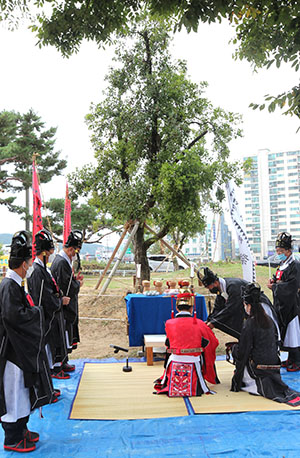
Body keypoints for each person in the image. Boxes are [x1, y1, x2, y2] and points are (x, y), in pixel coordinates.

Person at [0, 231, 53, 452]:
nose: (30, 266)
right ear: (23, 264)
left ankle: (21, 429)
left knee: (20, 391)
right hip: (12, 352)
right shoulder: (9, 287)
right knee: (13, 393)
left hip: (18, 349)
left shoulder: (13, 285)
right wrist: (37, 312)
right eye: (28, 262)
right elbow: (15, 317)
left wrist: (32, 312)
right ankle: (12, 437)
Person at [231, 282, 300, 407]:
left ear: (248, 305)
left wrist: (236, 380)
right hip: (274, 365)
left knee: (236, 350)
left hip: (258, 368)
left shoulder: (249, 323)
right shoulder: (269, 320)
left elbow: (244, 352)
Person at [154, 293, 219, 396]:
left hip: (174, 360)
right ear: (192, 308)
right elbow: (213, 342)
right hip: (194, 361)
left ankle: (170, 382)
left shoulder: (169, 323)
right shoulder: (200, 323)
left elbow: (168, 343)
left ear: (176, 308)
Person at [27, 229, 70, 380]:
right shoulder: (37, 271)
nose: (51, 254)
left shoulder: (43, 268)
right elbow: (43, 296)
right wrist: (60, 301)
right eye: (49, 251)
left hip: (53, 312)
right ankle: (53, 369)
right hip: (46, 314)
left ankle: (59, 364)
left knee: (58, 339)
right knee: (50, 342)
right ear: (44, 252)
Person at [198, 267, 278, 341]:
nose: (209, 290)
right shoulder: (220, 289)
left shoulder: (233, 286)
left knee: (265, 334)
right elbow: (218, 308)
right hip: (248, 309)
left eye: (209, 287)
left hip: (259, 307)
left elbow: (231, 308)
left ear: (215, 282)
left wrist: (214, 322)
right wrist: (209, 321)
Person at [50, 230, 84, 372]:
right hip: (63, 306)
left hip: (64, 305)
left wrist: (74, 281)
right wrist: (78, 285)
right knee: (62, 335)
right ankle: (60, 364)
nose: (75, 255)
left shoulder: (61, 261)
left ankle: (64, 361)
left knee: (65, 335)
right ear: (71, 249)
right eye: (75, 251)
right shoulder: (62, 262)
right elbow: (66, 287)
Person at [267, 232, 300, 371]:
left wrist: (275, 286)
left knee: (294, 333)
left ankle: (297, 360)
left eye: (281, 251)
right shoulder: (282, 264)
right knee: (285, 332)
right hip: (281, 304)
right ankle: (291, 358)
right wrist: (274, 281)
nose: (278, 253)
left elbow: (292, 285)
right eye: (277, 251)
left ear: (288, 251)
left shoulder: (295, 265)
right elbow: (280, 279)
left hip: (292, 304)